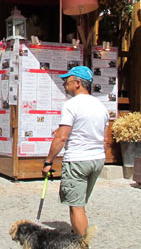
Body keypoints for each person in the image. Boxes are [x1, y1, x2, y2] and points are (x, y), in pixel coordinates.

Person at [42, 66, 108, 236]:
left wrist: (48, 161)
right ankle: (79, 235)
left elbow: (61, 138)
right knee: (81, 202)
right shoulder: (101, 106)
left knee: (76, 206)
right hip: (97, 158)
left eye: (67, 81)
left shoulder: (71, 105)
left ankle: (82, 244)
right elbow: (105, 138)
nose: (64, 84)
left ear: (78, 83)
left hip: (78, 159)